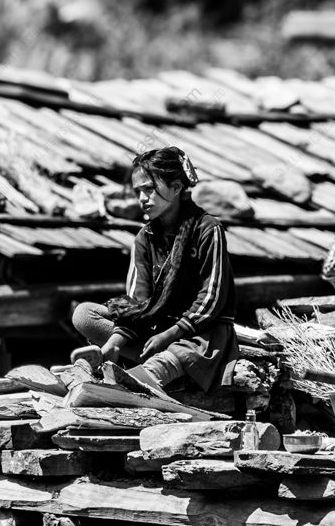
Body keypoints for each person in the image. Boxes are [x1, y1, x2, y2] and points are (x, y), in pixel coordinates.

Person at [71, 146, 238, 392]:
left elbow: (212, 297)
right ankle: (132, 360)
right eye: (139, 191)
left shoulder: (208, 229)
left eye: (149, 189)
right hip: (155, 330)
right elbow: (138, 301)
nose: (142, 199)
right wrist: (116, 342)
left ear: (176, 188)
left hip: (199, 335)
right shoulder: (144, 238)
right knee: (84, 314)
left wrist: (169, 335)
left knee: (171, 360)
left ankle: (147, 373)